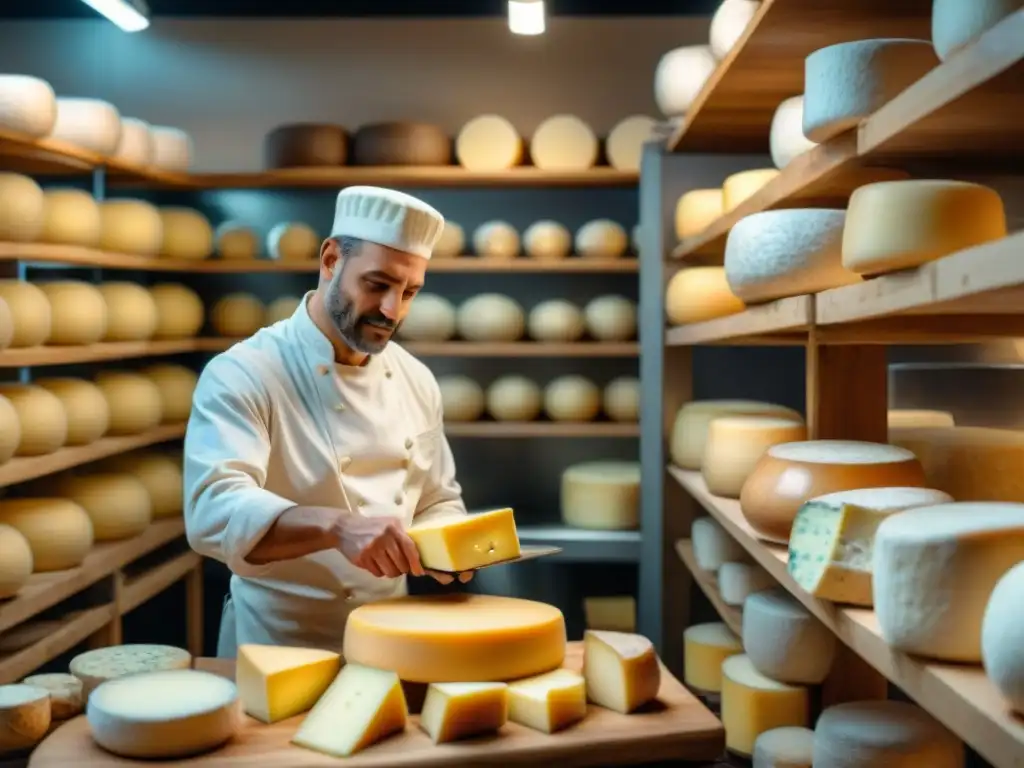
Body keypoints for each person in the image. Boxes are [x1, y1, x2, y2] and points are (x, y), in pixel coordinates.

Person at [183, 186, 472, 656]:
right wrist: (338, 527)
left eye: (409, 292)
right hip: (276, 649)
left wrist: (450, 545)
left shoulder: (416, 379)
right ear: (332, 259)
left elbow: (438, 498)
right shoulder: (245, 372)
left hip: (390, 644)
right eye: (377, 284)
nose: (391, 311)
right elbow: (212, 513)